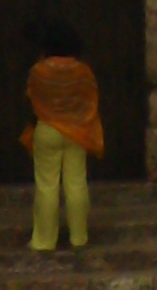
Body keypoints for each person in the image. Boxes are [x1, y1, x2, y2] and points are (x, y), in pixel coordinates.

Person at [21, 20, 104, 253]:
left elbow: (31, 98)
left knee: (47, 186)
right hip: (76, 131)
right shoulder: (83, 71)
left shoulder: (38, 70)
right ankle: (79, 237)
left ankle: (45, 241)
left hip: (47, 130)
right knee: (76, 183)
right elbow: (91, 100)